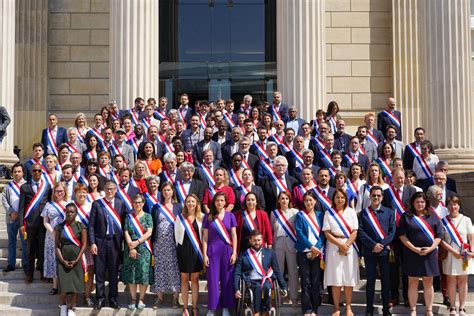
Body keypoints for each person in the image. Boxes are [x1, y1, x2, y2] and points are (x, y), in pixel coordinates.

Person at [399, 192, 442, 316]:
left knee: (429, 282)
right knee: (413, 282)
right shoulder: (406, 216)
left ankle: (429, 310)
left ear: (426, 203)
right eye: (417, 202)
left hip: (430, 254)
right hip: (412, 253)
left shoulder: (433, 216)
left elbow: (439, 236)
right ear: (413, 203)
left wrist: (431, 248)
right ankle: (413, 310)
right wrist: (415, 249)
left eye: (422, 202)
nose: (420, 204)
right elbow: (402, 235)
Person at [358, 186, 396, 316]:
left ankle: (386, 309)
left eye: (378, 196)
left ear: (382, 197)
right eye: (373, 195)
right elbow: (361, 232)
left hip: (384, 251)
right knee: (370, 281)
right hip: (370, 251)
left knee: (386, 281)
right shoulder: (363, 213)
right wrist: (373, 245)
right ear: (370, 196)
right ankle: (369, 309)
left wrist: (382, 244)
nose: (376, 198)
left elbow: (392, 232)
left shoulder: (389, 212)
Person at [89, 181, 127, 310]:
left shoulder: (121, 204)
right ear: (104, 189)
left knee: (113, 272)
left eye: (112, 189)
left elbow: (125, 223)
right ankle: (100, 299)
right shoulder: (97, 204)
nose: (110, 191)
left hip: (115, 243)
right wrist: (92, 242)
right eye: (107, 189)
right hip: (100, 242)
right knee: (99, 271)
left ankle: (113, 298)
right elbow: (91, 226)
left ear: (116, 190)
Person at [233, 229, 288, 316]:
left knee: (266, 286)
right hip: (251, 281)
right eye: (254, 240)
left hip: (266, 279)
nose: (257, 242)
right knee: (258, 287)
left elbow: (277, 270)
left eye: (259, 240)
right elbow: (237, 273)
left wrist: (283, 286)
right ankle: (257, 312)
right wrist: (236, 289)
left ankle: (265, 310)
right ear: (250, 241)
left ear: (262, 240)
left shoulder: (270, 253)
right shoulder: (244, 255)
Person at [323, 189, 359, 316]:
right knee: (336, 278)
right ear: (334, 199)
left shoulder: (351, 212)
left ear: (346, 199)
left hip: (349, 245)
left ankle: (348, 307)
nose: (340, 200)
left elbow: (355, 231)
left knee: (348, 277)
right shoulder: (329, 213)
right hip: (334, 246)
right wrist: (340, 245)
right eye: (337, 197)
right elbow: (327, 232)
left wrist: (346, 245)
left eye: (342, 197)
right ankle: (336, 308)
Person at [202, 192, 238, 316]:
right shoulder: (209, 216)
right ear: (214, 202)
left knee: (226, 279)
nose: (219, 203)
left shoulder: (231, 216)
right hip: (212, 251)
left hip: (227, 251)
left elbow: (234, 235)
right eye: (217, 200)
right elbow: (205, 238)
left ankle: (226, 308)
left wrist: (234, 253)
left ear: (225, 202)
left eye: (222, 200)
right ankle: (212, 308)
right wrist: (204, 255)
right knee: (212, 280)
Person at [18, 163, 52, 283]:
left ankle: (43, 273)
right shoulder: (24, 187)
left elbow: (49, 204)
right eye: (34, 171)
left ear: (42, 172)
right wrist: (21, 224)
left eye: (39, 171)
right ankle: (29, 274)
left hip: (43, 224)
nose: (37, 173)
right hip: (30, 224)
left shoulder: (47, 187)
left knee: (42, 250)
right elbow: (21, 207)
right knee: (30, 250)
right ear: (31, 172)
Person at [441, 196, 474, 315]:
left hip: (464, 255)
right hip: (450, 254)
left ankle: (462, 307)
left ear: (459, 205)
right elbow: (441, 240)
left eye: (455, 204)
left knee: (463, 280)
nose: (452, 207)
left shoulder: (466, 219)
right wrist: (453, 251)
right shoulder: (443, 220)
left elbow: (471, 238)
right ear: (447, 206)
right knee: (450, 280)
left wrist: (472, 252)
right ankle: (453, 307)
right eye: (450, 204)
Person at [151, 181, 181, 309]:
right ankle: (159, 298)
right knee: (160, 269)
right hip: (160, 243)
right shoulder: (156, 207)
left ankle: (175, 299)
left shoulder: (178, 207)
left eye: (169, 190)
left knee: (174, 269)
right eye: (164, 190)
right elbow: (153, 225)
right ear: (161, 192)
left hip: (174, 243)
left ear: (172, 191)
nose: (166, 192)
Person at [294, 191, 325, 315]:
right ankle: (307, 308)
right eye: (306, 200)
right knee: (306, 281)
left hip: (317, 253)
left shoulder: (320, 215)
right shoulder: (300, 215)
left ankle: (315, 309)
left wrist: (316, 247)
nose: (308, 202)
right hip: (303, 252)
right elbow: (299, 233)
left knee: (316, 281)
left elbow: (323, 233)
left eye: (310, 200)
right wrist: (311, 247)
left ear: (315, 201)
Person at [55, 203, 87, 316]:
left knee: (75, 285)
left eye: (72, 212)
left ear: (76, 213)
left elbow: (84, 245)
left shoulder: (81, 226)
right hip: (63, 259)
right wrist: (62, 261)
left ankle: (72, 307)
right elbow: (57, 246)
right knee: (63, 285)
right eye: (67, 211)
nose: (69, 214)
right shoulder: (59, 227)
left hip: (77, 259)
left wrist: (77, 260)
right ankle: (63, 306)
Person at [123, 194, 154, 311]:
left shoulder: (148, 216)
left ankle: (141, 299)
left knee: (144, 273)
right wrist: (131, 246)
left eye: (140, 202)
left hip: (144, 248)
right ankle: (133, 299)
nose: (138, 204)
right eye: (136, 202)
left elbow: (149, 232)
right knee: (132, 273)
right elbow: (126, 232)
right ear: (132, 203)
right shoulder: (128, 217)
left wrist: (137, 242)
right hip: (130, 248)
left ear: (143, 203)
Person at [175, 194, 204, 316]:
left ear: (197, 203)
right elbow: (176, 236)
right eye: (188, 202)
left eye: (193, 201)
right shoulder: (180, 217)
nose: (191, 204)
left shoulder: (202, 217)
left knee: (195, 279)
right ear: (185, 203)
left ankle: (195, 307)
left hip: (197, 251)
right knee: (184, 278)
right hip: (184, 250)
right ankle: (186, 307)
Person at [41, 182, 68, 295]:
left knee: (65, 259)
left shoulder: (69, 204)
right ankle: (55, 286)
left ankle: (66, 285)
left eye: (61, 191)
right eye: (57, 191)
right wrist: (52, 231)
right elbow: (45, 221)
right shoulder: (49, 205)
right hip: (51, 236)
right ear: (54, 192)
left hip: (66, 236)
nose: (59, 193)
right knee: (53, 260)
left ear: (65, 192)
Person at [2, 163, 27, 273]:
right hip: (11, 218)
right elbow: (4, 200)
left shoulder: (27, 185)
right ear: (12, 173)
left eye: (19, 171)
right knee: (11, 242)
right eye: (15, 171)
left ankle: (25, 263)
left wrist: (23, 214)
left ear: (23, 173)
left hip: (23, 219)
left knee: (24, 242)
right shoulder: (8, 187)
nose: (17, 173)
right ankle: (11, 264)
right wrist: (11, 212)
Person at [73, 184, 95, 307]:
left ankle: (87, 297)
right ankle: (74, 299)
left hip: (88, 245)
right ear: (75, 194)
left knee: (90, 270)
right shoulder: (71, 206)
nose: (82, 195)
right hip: (75, 245)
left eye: (84, 192)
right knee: (75, 271)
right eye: (79, 192)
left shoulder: (91, 206)